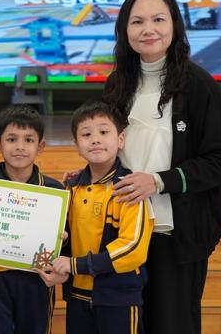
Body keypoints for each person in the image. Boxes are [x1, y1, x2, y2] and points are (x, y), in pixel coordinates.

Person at [103, 0, 221, 334]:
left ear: (175, 25)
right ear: (124, 30)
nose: (148, 29)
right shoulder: (116, 85)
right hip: (123, 232)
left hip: (174, 235)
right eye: (137, 21)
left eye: (158, 19)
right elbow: (109, 146)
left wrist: (159, 181)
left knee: (172, 324)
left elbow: (220, 160)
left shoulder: (200, 85)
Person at [39, 100, 154, 334]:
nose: (95, 140)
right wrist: (57, 262)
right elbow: (62, 238)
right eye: (86, 134)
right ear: (76, 145)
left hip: (119, 298)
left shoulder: (129, 188)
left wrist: (75, 265)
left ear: (120, 140)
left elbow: (133, 249)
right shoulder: (71, 188)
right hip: (77, 297)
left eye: (103, 132)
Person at [0, 105, 63, 334]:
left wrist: (62, 241)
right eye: (11, 139)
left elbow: (64, 244)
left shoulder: (55, 191)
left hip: (36, 280)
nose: (20, 146)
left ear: (41, 146)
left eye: (28, 140)